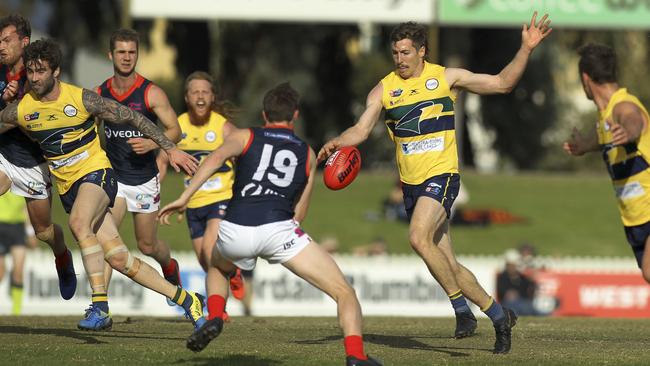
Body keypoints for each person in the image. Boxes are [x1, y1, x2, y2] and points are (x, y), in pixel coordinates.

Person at [317, 12, 552, 354]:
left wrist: (526, 48)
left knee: (417, 237)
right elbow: (362, 129)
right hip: (411, 186)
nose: (400, 59)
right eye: (395, 53)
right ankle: (499, 316)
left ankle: (461, 311)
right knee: (449, 265)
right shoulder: (384, 89)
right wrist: (340, 140)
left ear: (422, 51)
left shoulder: (446, 78)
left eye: (406, 52)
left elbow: (503, 83)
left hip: (442, 177)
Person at [159, 82, 382, 366]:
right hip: (279, 230)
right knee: (344, 293)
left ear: (265, 115)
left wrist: (184, 197)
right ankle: (356, 356)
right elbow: (298, 215)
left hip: (236, 227)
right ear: (295, 115)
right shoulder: (308, 153)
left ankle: (215, 317)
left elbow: (214, 159)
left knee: (216, 266)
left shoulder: (245, 136)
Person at [0, 38, 204, 331]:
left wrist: (169, 147)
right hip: (68, 188)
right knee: (120, 259)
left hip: (99, 175)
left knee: (79, 224)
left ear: (56, 71)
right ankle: (187, 300)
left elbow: (132, 116)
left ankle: (100, 307)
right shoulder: (23, 109)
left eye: (41, 71)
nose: (34, 77)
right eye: (30, 71)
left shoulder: (81, 98)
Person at [97, 29, 182, 303]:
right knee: (107, 240)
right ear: (111, 55)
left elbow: (175, 130)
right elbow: (90, 132)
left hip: (144, 179)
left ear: (137, 54)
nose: (126, 57)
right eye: (121, 52)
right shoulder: (100, 94)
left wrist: (152, 143)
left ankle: (170, 266)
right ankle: (100, 305)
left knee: (147, 245)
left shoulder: (151, 92)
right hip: (115, 178)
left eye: (131, 52)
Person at [0, 14, 76, 302]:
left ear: (24, 41)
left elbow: (38, 130)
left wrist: (14, 108)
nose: (1, 46)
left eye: (7, 40)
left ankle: (62, 257)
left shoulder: (37, 78)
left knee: (44, 232)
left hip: (34, 163)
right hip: (3, 154)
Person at [564, 43, 650, 284]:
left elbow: (633, 121)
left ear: (585, 78)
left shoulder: (623, 106)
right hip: (635, 216)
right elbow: (602, 137)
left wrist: (629, 132)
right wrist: (583, 146)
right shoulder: (604, 118)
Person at [158, 71, 246, 308]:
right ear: (187, 97)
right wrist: (153, 188)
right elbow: (162, 160)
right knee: (204, 261)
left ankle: (218, 311)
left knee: (210, 250)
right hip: (193, 205)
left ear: (212, 96)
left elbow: (243, 153)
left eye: (205, 92)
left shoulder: (222, 127)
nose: (200, 96)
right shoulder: (178, 127)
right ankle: (232, 274)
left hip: (221, 200)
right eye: (195, 92)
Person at [0, 192, 31, 314]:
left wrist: (30, 232)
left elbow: (26, 208)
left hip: (18, 228)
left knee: (18, 270)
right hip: (0, 227)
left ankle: (16, 312)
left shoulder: (20, 178)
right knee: (1, 272)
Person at [496, 249, 539, 316]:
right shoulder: (502, 277)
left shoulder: (522, 277)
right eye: (510, 265)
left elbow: (529, 288)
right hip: (508, 303)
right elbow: (501, 291)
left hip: (522, 302)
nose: (512, 267)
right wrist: (509, 293)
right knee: (514, 308)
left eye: (514, 265)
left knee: (527, 307)